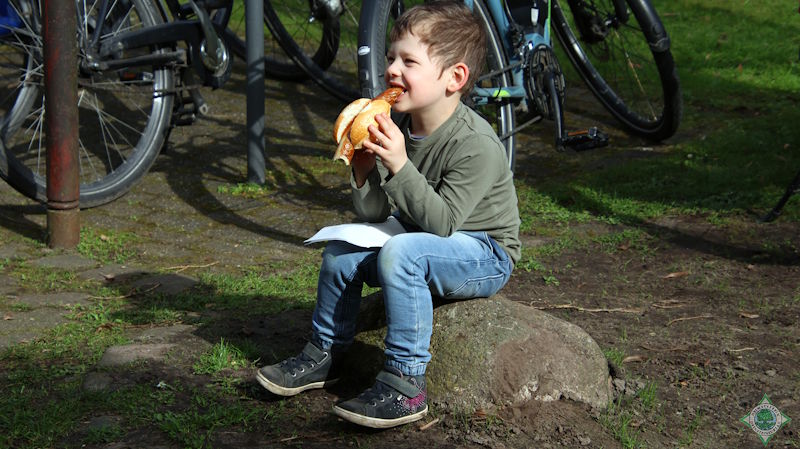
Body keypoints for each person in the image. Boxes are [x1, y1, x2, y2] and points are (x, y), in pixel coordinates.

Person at [256, 1, 521, 429]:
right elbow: (377, 212)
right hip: (419, 235)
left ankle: (406, 383)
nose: (392, 70)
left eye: (409, 61)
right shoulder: (396, 121)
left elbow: (443, 223)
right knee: (341, 252)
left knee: (404, 253)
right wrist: (364, 172)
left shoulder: (476, 144)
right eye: (391, 57)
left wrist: (399, 164)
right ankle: (326, 353)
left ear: (454, 78)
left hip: (484, 251)